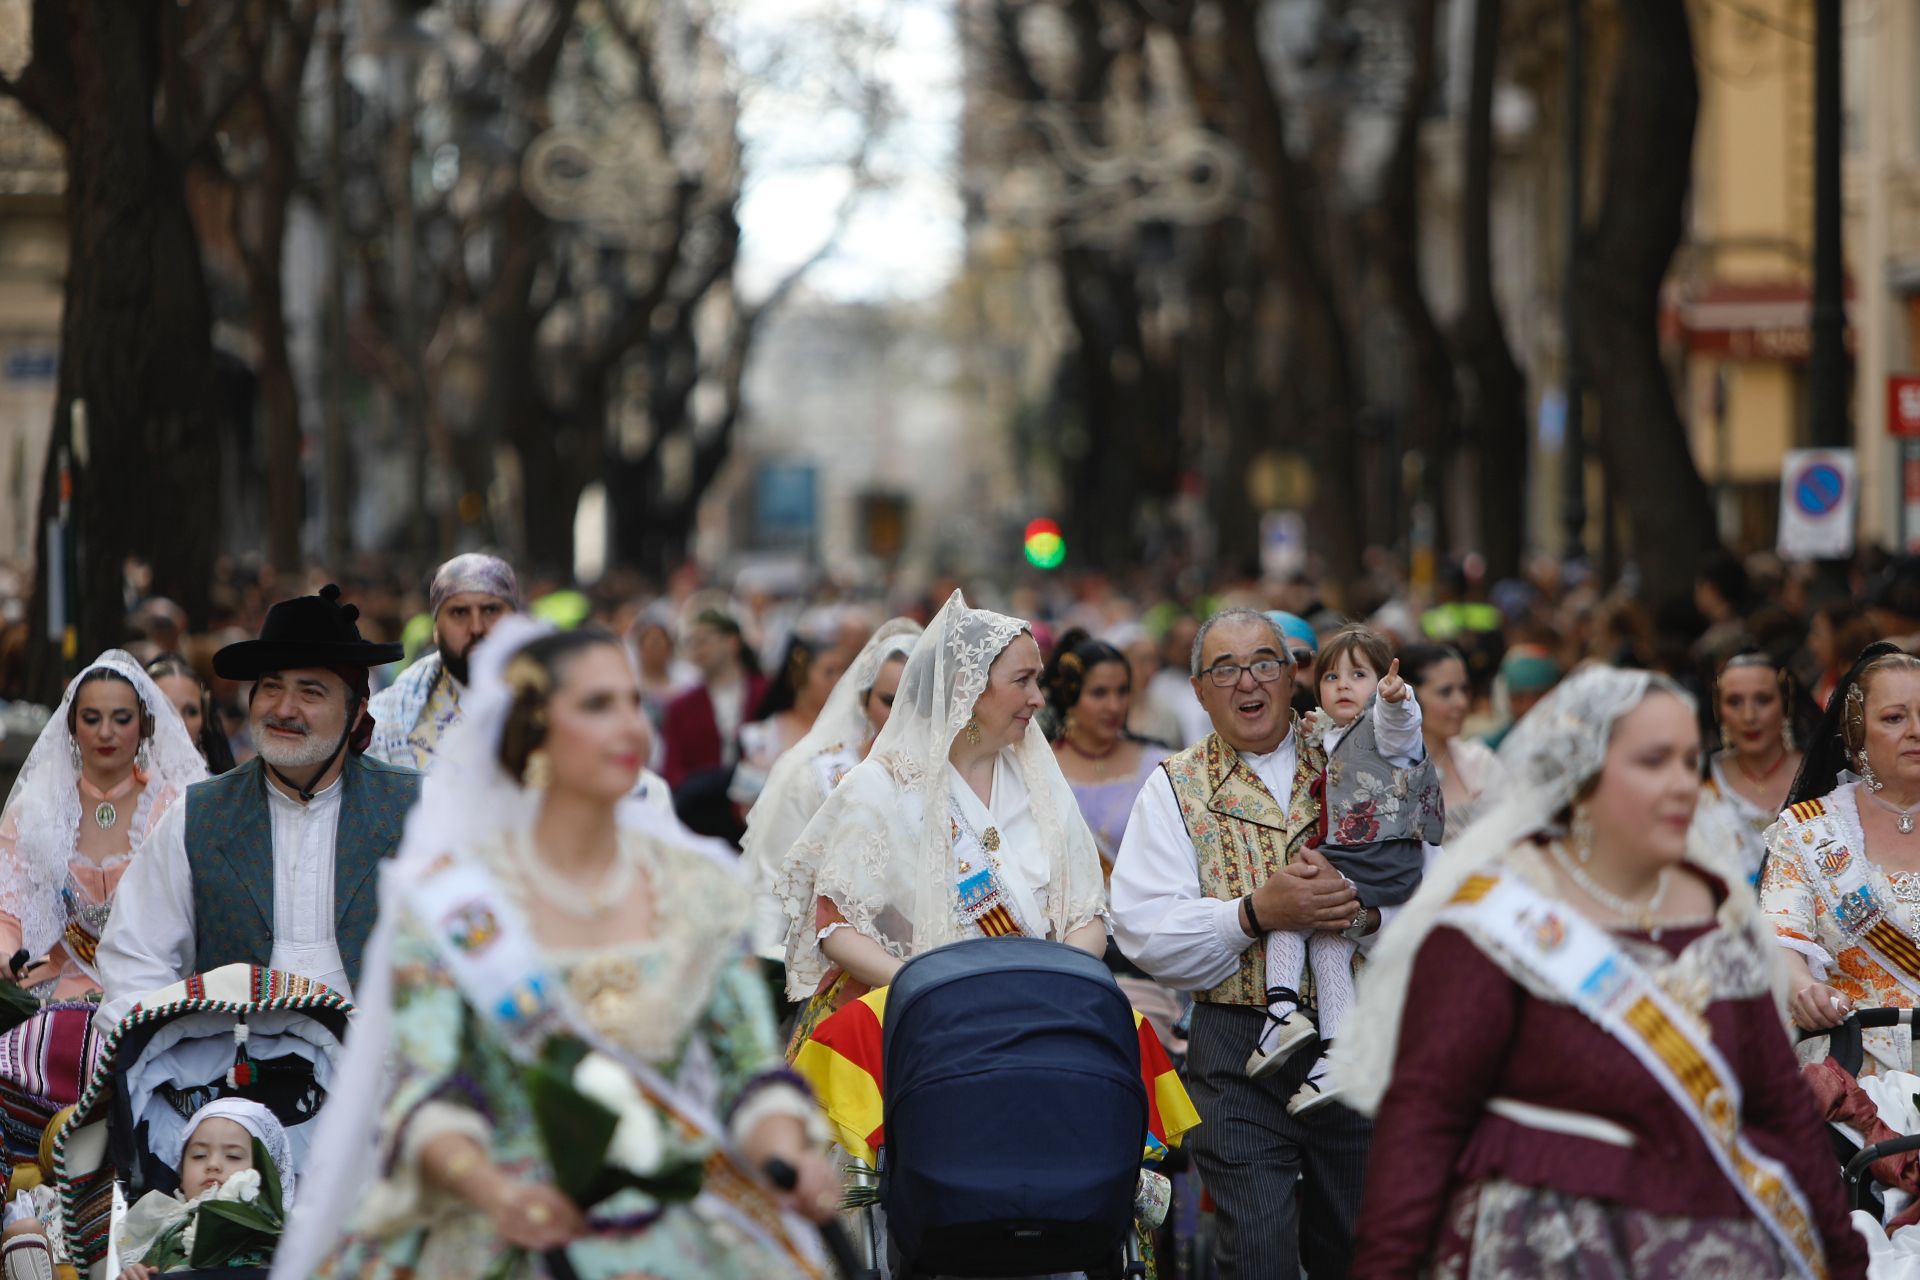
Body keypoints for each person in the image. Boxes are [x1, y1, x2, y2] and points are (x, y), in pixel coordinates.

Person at [272, 620, 838, 1280]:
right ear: (532, 730)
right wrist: (496, 1192)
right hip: (503, 1226)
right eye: (598, 706)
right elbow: (424, 1094)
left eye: (634, 701)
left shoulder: (701, 887)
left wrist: (787, 1155)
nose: (633, 727)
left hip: (672, 1223)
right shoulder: (455, 902)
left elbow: (748, 1070)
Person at [1338, 666, 1866, 1278]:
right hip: (1542, 1252)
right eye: (1652, 761)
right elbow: (1423, 1129)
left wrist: (1843, 1258)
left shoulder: (1719, 907)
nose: (1680, 785)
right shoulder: (1494, 921)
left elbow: (1777, 1110)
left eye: (1688, 760)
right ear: (1583, 776)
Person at [1108, 608, 1372, 1280]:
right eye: (1224, 668)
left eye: (1263, 662)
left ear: (1292, 676)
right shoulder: (1175, 786)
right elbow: (1144, 929)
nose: (1246, 682)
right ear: (1198, 689)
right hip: (1235, 1051)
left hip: (1358, 1042)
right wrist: (1254, 914)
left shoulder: (1354, 760)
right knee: (1259, 1251)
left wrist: (1363, 915)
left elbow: (1425, 886)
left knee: (1362, 1244)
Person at [775, 591, 1108, 1035]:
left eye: (1037, 681)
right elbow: (836, 927)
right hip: (916, 1019)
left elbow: (1086, 915)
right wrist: (924, 987)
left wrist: (1055, 983)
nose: (1038, 699)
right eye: (1022, 680)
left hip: (1039, 1015)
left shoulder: (1040, 784)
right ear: (966, 688)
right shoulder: (881, 786)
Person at [95, 585, 422, 1024]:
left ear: (357, 712)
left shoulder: (418, 809)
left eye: (310, 692)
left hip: (381, 1067)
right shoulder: (198, 816)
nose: (284, 708)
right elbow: (136, 960)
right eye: (271, 687)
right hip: (231, 1072)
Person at [1247, 627, 1441, 1116]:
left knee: (1293, 905)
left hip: (1376, 862)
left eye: (1359, 674)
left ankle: (1281, 1009)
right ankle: (1336, 1055)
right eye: (1331, 676)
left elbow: (1399, 727)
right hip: (1368, 862)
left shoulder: (1388, 730)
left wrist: (1398, 699)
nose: (1342, 685)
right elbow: (1332, 739)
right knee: (1331, 941)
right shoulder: (1337, 732)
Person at [0, 653, 207, 1001]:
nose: (105, 733)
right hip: (55, 995)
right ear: (71, 725)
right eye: (91, 719)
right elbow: (9, 907)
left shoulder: (176, 807)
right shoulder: (37, 811)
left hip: (155, 993)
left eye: (121, 719)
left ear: (143, 724)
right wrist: (6, 952)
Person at [1763, 643, 1920, 1076]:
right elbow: (1780, 941)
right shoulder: (1808, 830)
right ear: (1856, 732)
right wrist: (1804, 990)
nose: (1916, 730)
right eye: (1894, 718)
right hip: (1855, 1065)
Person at [739, 618, 920, 960]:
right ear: (865, 702)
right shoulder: (816, 776)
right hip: (831, 967)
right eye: (888, 700)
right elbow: (774, 881)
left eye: (914, 703)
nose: (900, 716)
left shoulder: (956, 778)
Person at [368, 554, 522, 770]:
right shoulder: (387, 716)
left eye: (491, 610)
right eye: (459, 612)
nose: (476, 627)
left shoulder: (556, 700)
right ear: (436, 629)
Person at [114, 1098, 297, 1278]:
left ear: (263, 1174)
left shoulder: (280, 1231)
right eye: (199, 1156)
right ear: (181, 1177)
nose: (213, 1164)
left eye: (233, 1156)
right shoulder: (162, 1225)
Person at [1043, 629, 1169, 873]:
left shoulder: (1158, 765)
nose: (1114, 706)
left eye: (1122, 691)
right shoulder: (1037, 766)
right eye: (1099, 693)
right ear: (1070, 697)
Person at [1699, 651, 1807, 886]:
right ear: (1719, 709)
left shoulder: (1820, 776)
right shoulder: (1700, 781)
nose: (1749, 716)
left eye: (1763, 700)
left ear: (1785, 703)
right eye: (1734, 702)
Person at [659, 610, 766, 841]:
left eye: (704, 640)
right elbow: (672, 769)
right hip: (704, 818)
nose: (698, 648)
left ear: (732, 642)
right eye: (691, 642)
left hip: (762, 810)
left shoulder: (765, 693)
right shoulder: (681, 707)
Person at [1398, 642, 1506, 839]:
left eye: (1464, 689)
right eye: (1445, 692)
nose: (1461, 703)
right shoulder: (1385, 774)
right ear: (1408, 697)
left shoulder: (1481, 762)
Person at [731, 634, 848, 812]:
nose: (839, 681)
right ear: (800, 675)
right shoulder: (766, 734)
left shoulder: (855, 730)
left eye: (843, 672)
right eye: (829, 672)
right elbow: (746, 807)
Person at [143, 654, 238, 775]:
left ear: (204, 720)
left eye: (191, 711)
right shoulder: (118, 788)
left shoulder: (220, 791)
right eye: (165, 709)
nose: (179, 722)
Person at [1482, 643, 1560, 751]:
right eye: (1519, 698)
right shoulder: (1489, 750)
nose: (1528, 706)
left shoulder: (1569, 742)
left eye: (1537, 696)